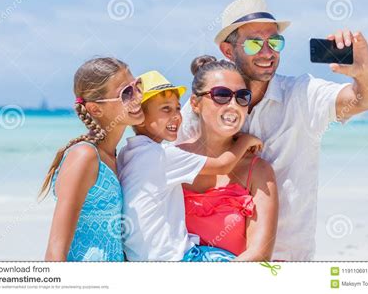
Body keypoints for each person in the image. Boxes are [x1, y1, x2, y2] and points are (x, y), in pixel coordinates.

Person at [176, 0, 368, 260]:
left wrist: (364, 71)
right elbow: (167, 173)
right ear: (228, 51)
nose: (267, 52)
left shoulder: (302, 95)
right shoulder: (203, 107)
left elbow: (366, 100)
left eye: (274, 42)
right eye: (253, 43)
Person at [117, 70, 262, 261]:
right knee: (226, 259)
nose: (177, 116)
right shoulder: (162, 156)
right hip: (176, 259)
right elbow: (222, 165)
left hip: (140, 259)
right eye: (166, 109)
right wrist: (245, 140)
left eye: (177, 108)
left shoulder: (126, 153)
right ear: (140, 115)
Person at [41, 57, 144, 261]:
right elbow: (55, 250)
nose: (138, 97)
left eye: (138, 86)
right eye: (127, 93)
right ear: (96, 109)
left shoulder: (115, 156)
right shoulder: (84, 156)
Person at [180, 56, 279, 261]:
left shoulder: (258, 171)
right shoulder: (173, 159)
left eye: (242, 97)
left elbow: (259, 255)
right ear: (195, 103)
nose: (234, 105)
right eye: (222, 95)